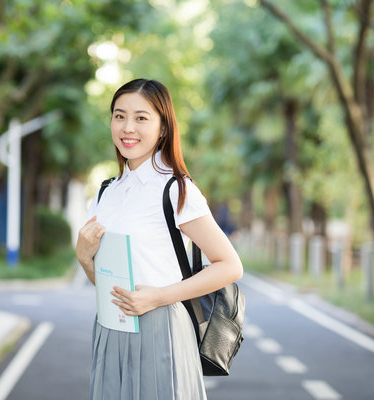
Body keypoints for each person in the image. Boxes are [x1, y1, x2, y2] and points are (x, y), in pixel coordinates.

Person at [76, 78, 243, 400]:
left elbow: (230, 266)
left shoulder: (176, 189)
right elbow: (107, 284)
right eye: (119, 115)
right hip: (111, 327)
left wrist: (158, 297)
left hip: (161, 326)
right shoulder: (105, 194)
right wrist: (85, 258)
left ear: (163, 128)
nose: (128, 127)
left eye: (141, 118)